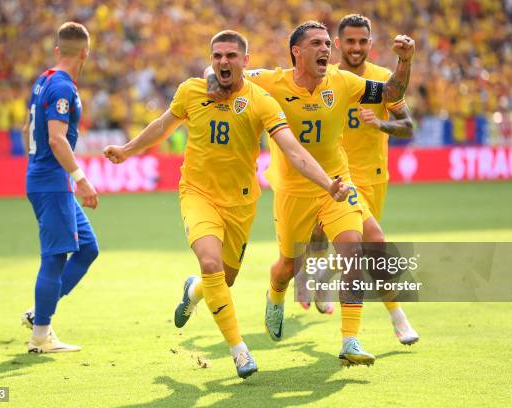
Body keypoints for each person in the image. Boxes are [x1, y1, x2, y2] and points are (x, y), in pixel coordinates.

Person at [103, 30, 349, 379]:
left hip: (240, 203)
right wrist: (127, 150)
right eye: (217, 56)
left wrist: (328, 183)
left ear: (245, 62)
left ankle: (195, 290)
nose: (223, 62)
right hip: (198, 194)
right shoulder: (192, 91)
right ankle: (240, 351)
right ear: (210, 59)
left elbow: (293, 150)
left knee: (224, 278)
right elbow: (162, 125)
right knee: (209, 261)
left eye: (231, 56)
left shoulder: (261, 101)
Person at [206, 21, 414, 367]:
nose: (325, 50)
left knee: (353, 250)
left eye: (325, 44)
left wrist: (405, 62)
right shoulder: (270, 81)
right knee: (288, 265)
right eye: (316, 44)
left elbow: (391, 93)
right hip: (293, 190)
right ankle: (275, 295)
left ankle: (350, 339)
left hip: (336, 185)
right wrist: (215, 80)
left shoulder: (344, 81)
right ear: (296, 52)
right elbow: (220, 68)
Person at [302, 14, 419, 346]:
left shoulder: (383, 81)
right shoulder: (327, 80)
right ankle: (398, 318)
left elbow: (408, 126)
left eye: (362, 41)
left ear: (370, 43)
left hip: (374, 178)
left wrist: (380, 125)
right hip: (336, 179)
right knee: (366, 244)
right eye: (349, 41)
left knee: (363, 248)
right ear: (337, 44)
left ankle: (325, 276)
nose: (356, 47)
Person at [22, 22, 99, 353]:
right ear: (85, 52)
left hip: (48, 179)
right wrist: (81, 179)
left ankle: (39, 313)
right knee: (55, 257)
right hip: (52, 182)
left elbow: (28, 127)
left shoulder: (44, 80)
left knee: (88, 248)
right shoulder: (63, 88)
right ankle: (41, 334)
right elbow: (55, 138)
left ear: (58, 51)